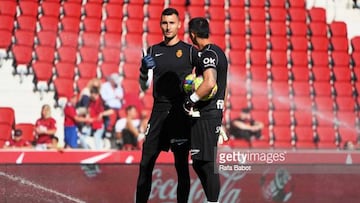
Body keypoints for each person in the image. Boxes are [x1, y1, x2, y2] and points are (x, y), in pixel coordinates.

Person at [136, 8, 198, 203]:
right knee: (145, 163)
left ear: (179, 25)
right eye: (164, 23)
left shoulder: (189, 52)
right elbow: (144, 86)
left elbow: (208, 75)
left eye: (172, 23)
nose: (168, 27)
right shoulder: (153, 51)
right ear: (160, 24)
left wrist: (197, 91)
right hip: (159, 111)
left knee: (181, 166)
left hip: (180, 112)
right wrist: (144, 70)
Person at [183, 17, 228, 203]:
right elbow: (221, 87)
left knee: (207, 163)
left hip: (207, 115)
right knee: (199, 161)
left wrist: (191, 100)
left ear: (192, 34)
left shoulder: (208, 54)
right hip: (210, 114)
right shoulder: (218, 52)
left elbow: (209, 83)